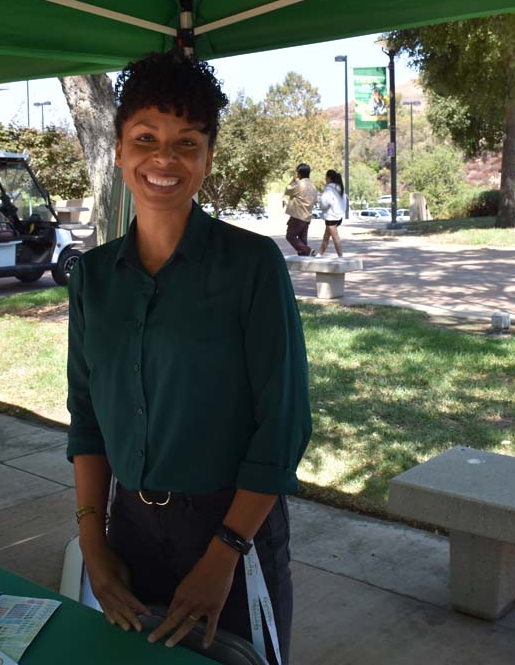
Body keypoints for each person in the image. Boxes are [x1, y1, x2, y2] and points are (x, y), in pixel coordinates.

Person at [67, 51, 311, 665]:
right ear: (119, 150)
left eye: (187, 143)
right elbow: (87, 418)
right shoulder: (93, 278)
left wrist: (223, 555)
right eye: (145, 138)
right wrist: (93, 545)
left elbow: (281, 425)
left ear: (207, 158)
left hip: (232, 531)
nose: (164, 160)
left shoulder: (251, 266)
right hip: (128, 533)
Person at [283, 164, 317, 256]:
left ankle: (308, 251)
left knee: (290, 236)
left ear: (299, 173)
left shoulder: (299, 184)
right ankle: (305, 259)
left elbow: (287, 190)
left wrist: (292, 180)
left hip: (298, 215)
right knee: (302, 240)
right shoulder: (313, 185)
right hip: (307, 217)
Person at [317, 170, 346, 258]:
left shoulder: (329, 190)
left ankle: (341, 256)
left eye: (326, 177)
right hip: (339, 216)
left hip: (331, 217)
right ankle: (319, 255)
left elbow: (324, 203)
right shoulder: (340, 188)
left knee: (335, 238)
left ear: (329, 178)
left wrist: (319, 202)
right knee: (326, 237)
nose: (325, 179)